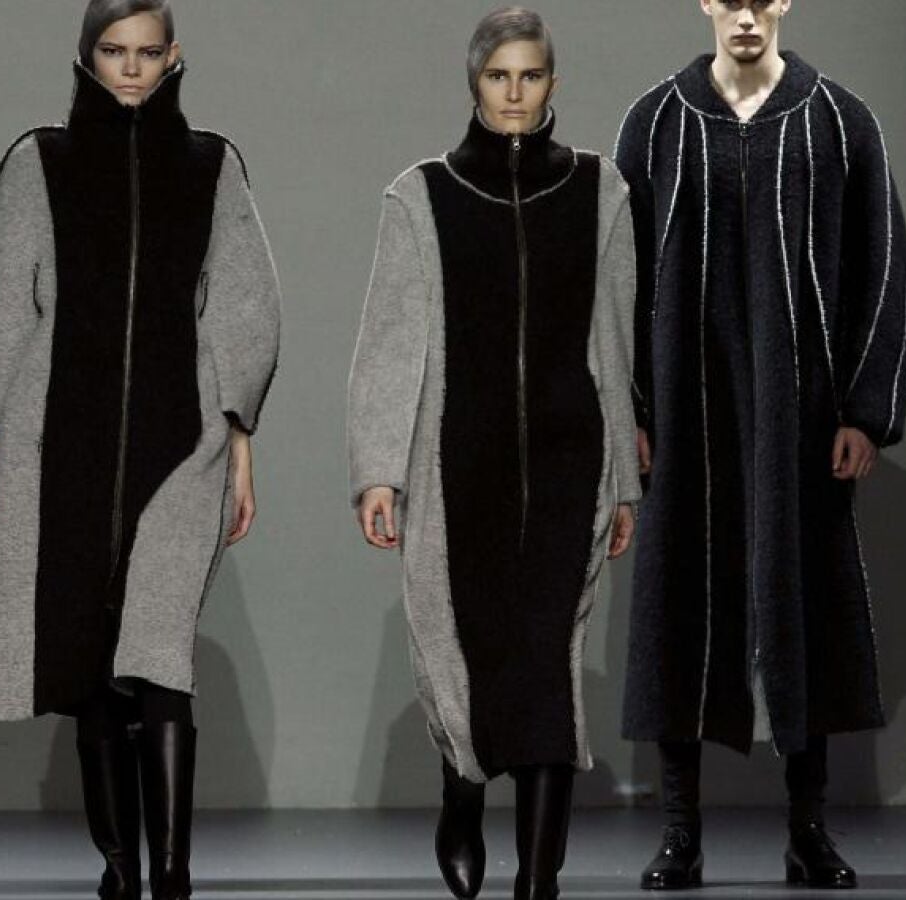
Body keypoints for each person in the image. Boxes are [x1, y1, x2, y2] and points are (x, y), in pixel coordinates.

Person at [0, 2, 281, 897]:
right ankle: (120, 867)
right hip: (55, 441)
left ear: (173, 56)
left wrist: (240, 433)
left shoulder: (211, 164)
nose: (130, 69)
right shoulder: (41, 161)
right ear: (87, 56)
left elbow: (244, 306)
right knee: (90, 659)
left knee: (159, 653)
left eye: (146, 52)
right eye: (113, 52)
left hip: (182, 445)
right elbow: (1, 295)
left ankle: (171, 873)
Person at [612, 0, 906, 890]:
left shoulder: (838, 121)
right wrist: (630, 409)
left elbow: (882, 263)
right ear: (705, 3)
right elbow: (616, 274)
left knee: (802, 599)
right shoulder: (655, 123)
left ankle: (807, 829)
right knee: (677, 598)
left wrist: (863, 410)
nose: (745, 14)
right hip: (683, 405)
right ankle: (678, 831)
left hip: (801, 412)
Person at [346, 8, 640, 898]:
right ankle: (461, 790)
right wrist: (378, 470)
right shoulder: (420, 196)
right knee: (464, 646)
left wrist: (624, 479)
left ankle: (538, 881)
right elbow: (389, 345)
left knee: (549, 659)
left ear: (553, 81)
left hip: (568, 460)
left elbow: (613, 341)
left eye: (530, 75)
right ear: (474, 82)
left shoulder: (600, 191)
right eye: (497, 76)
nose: (514, 93)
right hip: (454, 463)